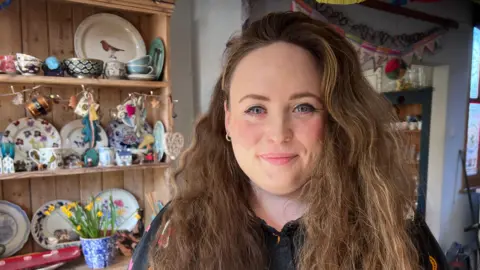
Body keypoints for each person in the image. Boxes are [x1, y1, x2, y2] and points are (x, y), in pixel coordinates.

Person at [129, 12, 448, 270]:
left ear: (335, 118)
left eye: (303, 107)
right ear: (228, 119)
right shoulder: (176, 231)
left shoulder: (395, 230)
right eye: (256, 108)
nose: (279, 133)